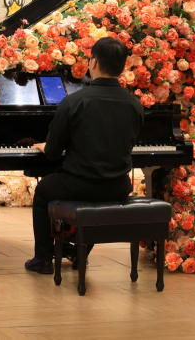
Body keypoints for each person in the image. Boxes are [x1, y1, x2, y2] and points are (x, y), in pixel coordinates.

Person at [25, 37, 144, 274]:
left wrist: (43, 146)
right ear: (123, 66)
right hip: (118, 186)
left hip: (78, 184)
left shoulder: (73, 102)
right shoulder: (135, 104)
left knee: (43, 191)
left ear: (93, 62)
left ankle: (44, 259)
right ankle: (80, 252)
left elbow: (53, 152)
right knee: (94, 196)